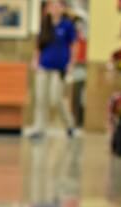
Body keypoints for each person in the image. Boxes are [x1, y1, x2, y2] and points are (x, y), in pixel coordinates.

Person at [29, 1, 77, 139]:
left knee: (56, 98)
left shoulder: (67, 25)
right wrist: (35, 60)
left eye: (57, 6)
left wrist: (71, 63)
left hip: (59, 67)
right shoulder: (45, 24)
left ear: (62, 8)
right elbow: (39, 44)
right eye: (52, 6)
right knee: (41, 98)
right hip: (44, 65)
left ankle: (69, 125)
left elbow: (74, 45)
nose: (54, 9)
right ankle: (39, 128)